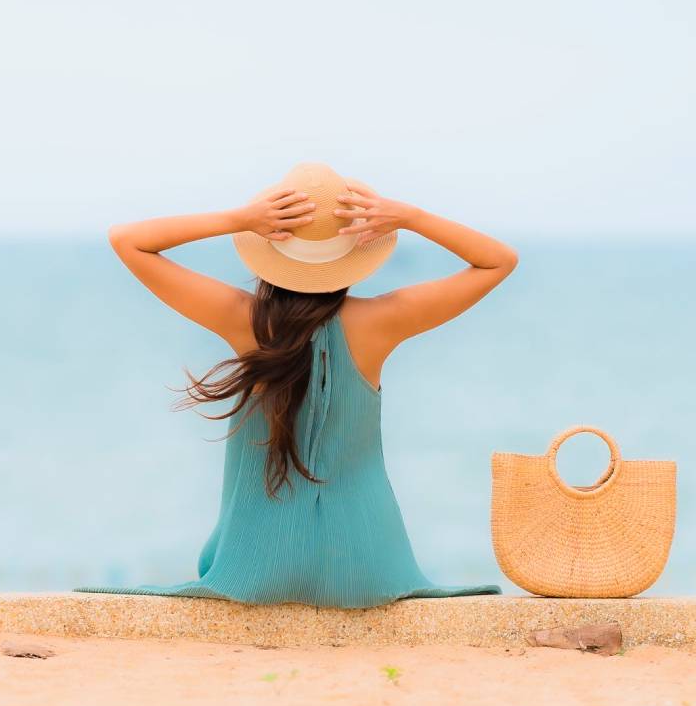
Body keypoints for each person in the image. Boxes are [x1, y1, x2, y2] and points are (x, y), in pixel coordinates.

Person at [77, 161, 517, 607]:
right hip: (367, 569)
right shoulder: (384, 320)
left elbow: (127, 241)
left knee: (214, 552)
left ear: (268, 251)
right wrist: (410, 217)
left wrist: (241, 220)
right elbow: (499, 261)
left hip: (255, 570)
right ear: (354, 258)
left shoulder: (243, 319)